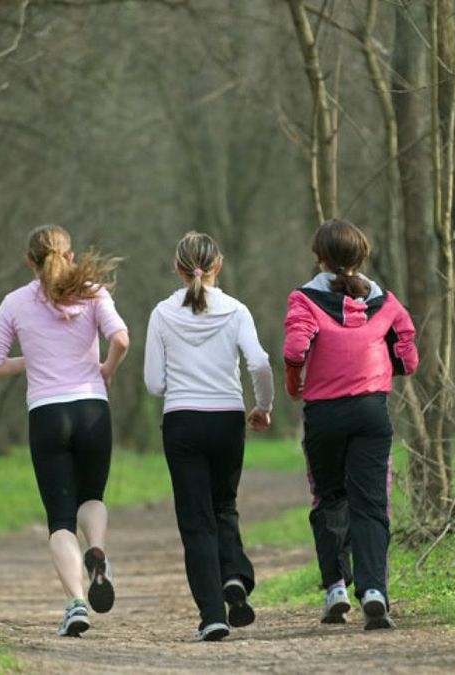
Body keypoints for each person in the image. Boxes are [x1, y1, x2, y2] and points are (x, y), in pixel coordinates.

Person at [0, 224, 130, 638]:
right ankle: (97, 551)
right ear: (69, 254)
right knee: (92, 498)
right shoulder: (93, 291)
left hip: (47, 414)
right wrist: (106, 371)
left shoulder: (14, 303)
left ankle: (76, 602)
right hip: (91, 410)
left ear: (30, 261)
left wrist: (31, 360)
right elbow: (121, 339)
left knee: (60, 520)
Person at [283, 218, 418, 631]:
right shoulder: (386, 301)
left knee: (329, 498)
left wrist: (295, 385)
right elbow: (408, 358)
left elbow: (294, 349)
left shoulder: (304, 299)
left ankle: (336, 588)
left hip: (324, 414)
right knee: (372, 503)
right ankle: (375, 592)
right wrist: (382, 369)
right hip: (371, 411)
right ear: (362, 257)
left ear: (319, 257)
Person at [144, 231, 274, 642]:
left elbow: (153, 383)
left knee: (195, 519)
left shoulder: (162, 313)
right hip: (227, 419)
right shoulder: (236, 311)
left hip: (182, 421)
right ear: (218, 266)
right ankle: (234, 575)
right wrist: (264, 406)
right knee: (224, 505)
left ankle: (212, 616)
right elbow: (260, 363)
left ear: (177, 268)